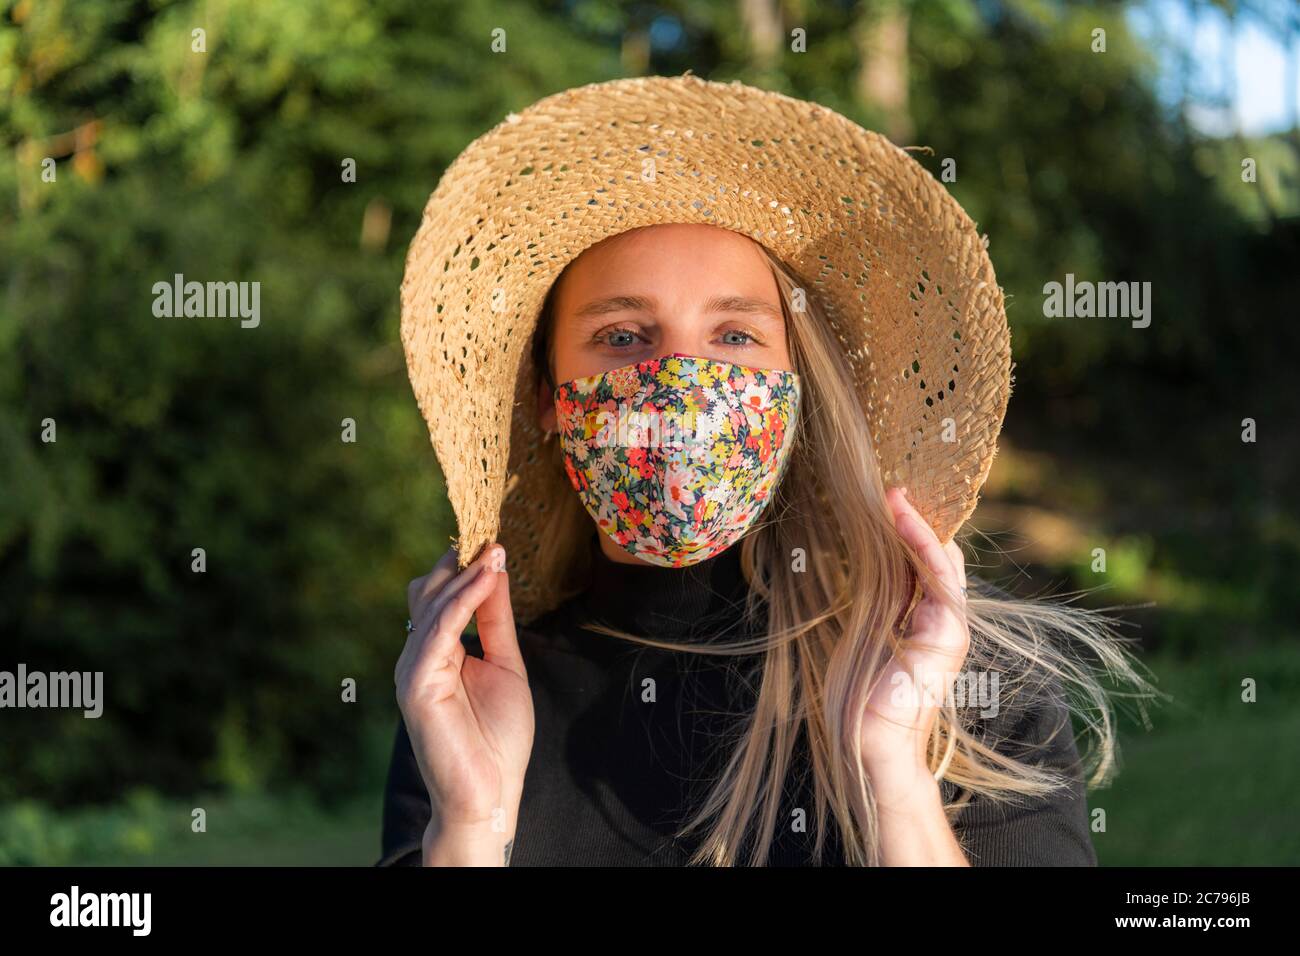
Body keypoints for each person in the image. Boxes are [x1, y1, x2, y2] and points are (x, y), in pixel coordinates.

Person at [381, 75, 1156, 867]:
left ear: (796, 386)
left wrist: (896, 777)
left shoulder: (957, 677)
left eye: (735, 337)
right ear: (548, 398)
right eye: (621, 336)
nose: (679, 379)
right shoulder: (469, 700)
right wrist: (470, 828)